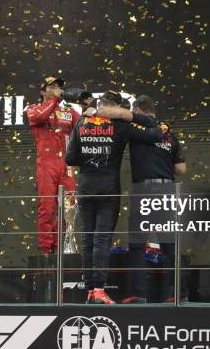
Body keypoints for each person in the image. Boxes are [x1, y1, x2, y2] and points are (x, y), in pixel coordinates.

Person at [66, 91, 165, 304]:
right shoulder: (121, 126)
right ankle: (100, 290)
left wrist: (90, 153)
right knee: (101, 239)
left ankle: (91, 289)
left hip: (85, 187)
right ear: (117, 108)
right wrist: (132, 117)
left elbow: (70, 158)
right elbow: (156, 133)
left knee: (87, 239)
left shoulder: (81, 123)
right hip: (108, 189)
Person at [122, 95, 186, 304]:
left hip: (144, 189)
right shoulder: (170, 135)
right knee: (169, 244)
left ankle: (139, 294)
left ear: (138, 111)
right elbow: (181, 169)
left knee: (138, 244)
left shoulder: (135, 130)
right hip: (167, 189)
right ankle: (175, 293)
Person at [26, 76, 81, 254]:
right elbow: (41, 117)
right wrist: (55, 99)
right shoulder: (33, 109)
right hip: (46, 163)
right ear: (43, 91)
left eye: (59, 86)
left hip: (67, 165)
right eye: (53, 86)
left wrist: (87, 110)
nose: (57, 88)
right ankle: (45, 249)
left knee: (70, 207)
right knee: (47, 207)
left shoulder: (68, 111)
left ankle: (61, 246)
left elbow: (82, 127)